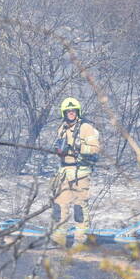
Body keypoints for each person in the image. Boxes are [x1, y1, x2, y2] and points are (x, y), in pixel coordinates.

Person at [50, 97, 101, 246]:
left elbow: (95, 149)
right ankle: (59, 240)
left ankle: (80, 241)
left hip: (81, 174)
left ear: (78, 111)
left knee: (79, 208)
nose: (71, 113)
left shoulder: (86, 127)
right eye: (68, 111)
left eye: (73, 111)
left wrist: (79, 148)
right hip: (64, 173)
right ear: (63, 113)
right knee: (60, 206)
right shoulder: (62, 129)